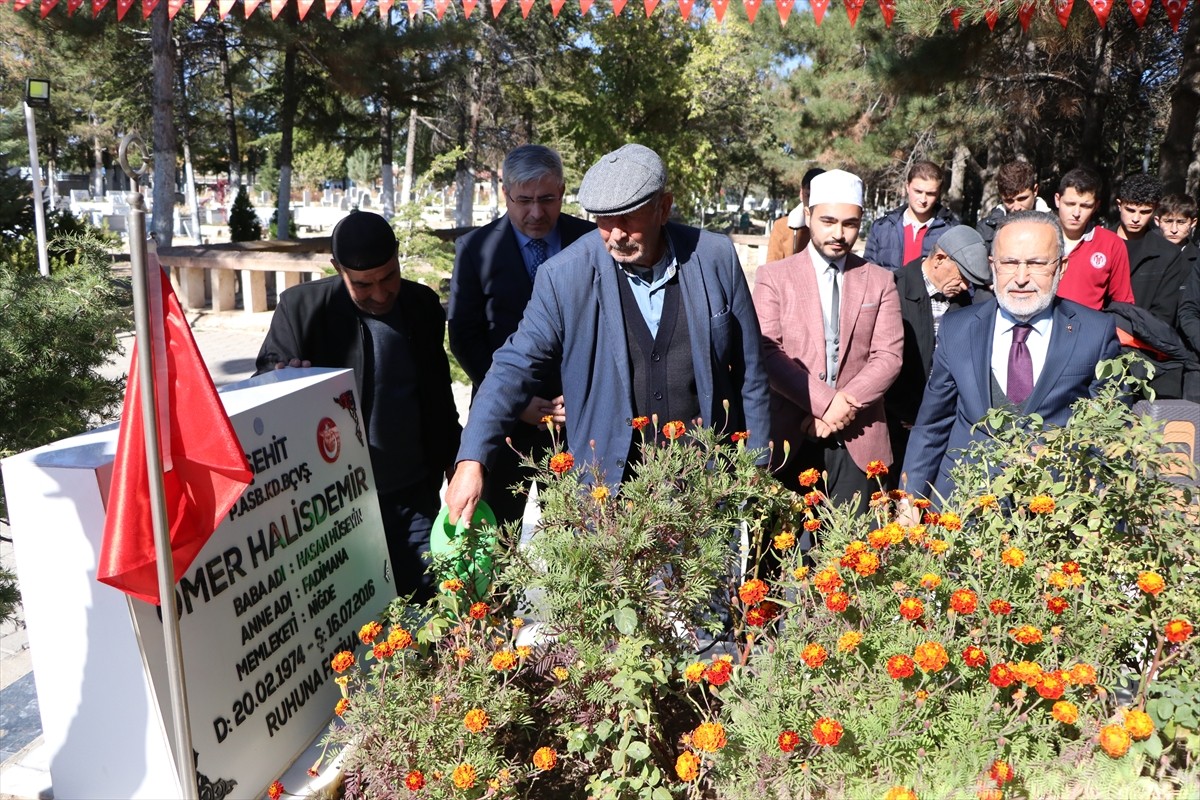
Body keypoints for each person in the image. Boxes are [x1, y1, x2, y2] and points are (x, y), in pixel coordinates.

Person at [445, 143, 770, 526]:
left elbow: (751, 370)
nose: (615, 235)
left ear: (663, 208)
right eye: (602, 220)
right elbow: (513, 365)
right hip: (608, 490)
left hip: (702, 482)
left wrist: (756, 465)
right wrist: (472, 458)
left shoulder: (715, 257)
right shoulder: (565, 274)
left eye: (628, 219)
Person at [255, 210, 461, 601]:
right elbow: (264, 389)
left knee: (427, 597)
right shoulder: (301, 310)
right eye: (363, 285)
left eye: (389, 277)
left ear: (399, 257)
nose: (381, 293)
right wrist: (285, 377)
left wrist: (457, 462)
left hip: (414, 492)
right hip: (337, 505)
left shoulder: (421, 305)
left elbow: (439, 396)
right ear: (338, 268)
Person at [901, 210, 1120, 503]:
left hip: (1051, 513)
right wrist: (908, 498)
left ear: (1061, 266)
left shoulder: (1094, 333)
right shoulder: (958, 329)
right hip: (961, 509)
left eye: (1036, 264)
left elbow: (1108, 434)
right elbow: (933, 424)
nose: (1020, 278)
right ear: (993, 266)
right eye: (1009, 263)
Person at [448, 145, 595, 526]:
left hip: (575, 421)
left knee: (578, 535)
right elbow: (464, 336)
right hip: (504, 424)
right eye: (524, 200)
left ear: (563, 191)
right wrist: (518, 401)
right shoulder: (475, 249)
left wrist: (579, 393)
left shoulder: (591, 242)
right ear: (505, 193)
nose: (535, 212)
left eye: (547, 199)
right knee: (496, 538)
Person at [753, 169, 903, 514]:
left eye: (849, 224)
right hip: (791, 434)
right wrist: (823, 403)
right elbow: (766, 350)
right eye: (828, 221)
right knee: (781, 555)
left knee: (852, 555)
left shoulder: (879, 281)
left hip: (858, 437)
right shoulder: (774, 277)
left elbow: (889, 356)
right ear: (808, 215)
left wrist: (840, 409)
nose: (839, 234)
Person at [884, 225, 990, 483]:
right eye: (962, 276)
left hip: (943, 423)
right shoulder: (893, 289)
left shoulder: (968, 302)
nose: (965, 286)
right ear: (940, 259)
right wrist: (910, 413)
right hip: (896, 424)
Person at [1052, 167, 1135, 311]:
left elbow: (1123, 304)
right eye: (1070, 204)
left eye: (1085, 206)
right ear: (1058, 200)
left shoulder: (1111, 244)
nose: (1076, 213)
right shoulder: (1038, 237)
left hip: (1088, 329)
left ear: (1096, 206)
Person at [1112, 173, 1187, 328]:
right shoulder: (1097, 243)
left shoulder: (1168, 254)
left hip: (1140, 343)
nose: (1135, 218)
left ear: (1155, 210)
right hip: (1093, 338)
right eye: (1130, 210)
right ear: (1119, 205)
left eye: (1145, 212)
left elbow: (1164, 314)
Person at [863, 160, 959, 272]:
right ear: (907, 187)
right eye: (918, 191)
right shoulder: (881, 228)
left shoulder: (952, 232)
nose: (923, 200)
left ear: (938, 193)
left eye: (930, 194)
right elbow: (867, 276)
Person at [976, 161, 1051, 252]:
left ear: (1035, 190)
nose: (1016, 207)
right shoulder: (987, 229)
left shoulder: (1056, 225)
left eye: (1022, 199)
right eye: (1009, 201)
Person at [765, 167, 826, 263]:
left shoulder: (835, 229)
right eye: (809, 195)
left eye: (820, 196)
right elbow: (771, 265)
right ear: (801, 194)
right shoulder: (782, 226)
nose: (813, 201)